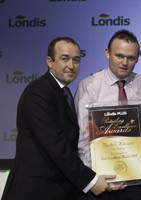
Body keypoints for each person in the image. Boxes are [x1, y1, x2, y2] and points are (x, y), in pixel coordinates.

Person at [1, 37, 123, 200]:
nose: (71, 66)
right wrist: (91, 181)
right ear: (50, 62)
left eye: (76, 60)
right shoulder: (38, 93)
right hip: (35, 191)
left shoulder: (63, 93)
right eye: (64, 59)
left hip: (58, 189)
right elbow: (56, 145)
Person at [75, 30, 141, 200]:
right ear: (107, 53)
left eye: (131, 58)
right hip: (100, 181)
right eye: (119, 56)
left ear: (137, 58)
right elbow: (83, 138)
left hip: (135, 180)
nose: (125, 62)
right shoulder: (89, 86)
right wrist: (95, 177)